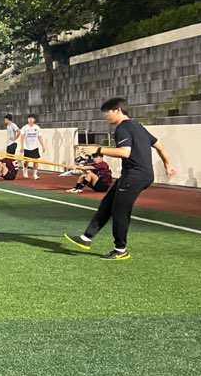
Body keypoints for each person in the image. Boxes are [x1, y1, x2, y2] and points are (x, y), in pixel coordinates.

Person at [64, 97, 177, 260]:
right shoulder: (138, 127)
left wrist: (98, 149)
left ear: (117, 110)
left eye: (107, 113)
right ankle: (86, 238)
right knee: (107, 204)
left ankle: (120, 250)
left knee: (120, 211)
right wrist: (168, 165)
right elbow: (160, 146)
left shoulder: (122, 128)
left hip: (134, 175)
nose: (106, 117)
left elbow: (125, 152)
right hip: (139, 175)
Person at [19, 114, 46, 179]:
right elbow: (22, 137)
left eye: (32, 119)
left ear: (34, 120)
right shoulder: (24, 128)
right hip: (27, 147)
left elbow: (40, 137)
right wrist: (22, 146)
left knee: (36, 161)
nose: (30, 120)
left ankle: (34, 175)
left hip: (35, 147)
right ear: (27, 120)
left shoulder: (37, 127)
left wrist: (43, 146)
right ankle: (25, 169)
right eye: (29, 119)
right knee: (26, 161)